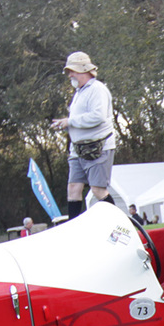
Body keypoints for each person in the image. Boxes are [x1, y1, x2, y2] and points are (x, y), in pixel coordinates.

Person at [50, 51, 116, 218]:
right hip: (77, 149)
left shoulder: (97, 89)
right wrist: (65, 124)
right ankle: (73, 229)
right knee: (73, 189)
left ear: (85, 71)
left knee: (98, 190)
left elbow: (98, 117)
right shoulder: (79, 92)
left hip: (98, 148)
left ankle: (119, 224)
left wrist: (70, 121)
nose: (70, 75)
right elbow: (77, 120)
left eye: (73, 70)